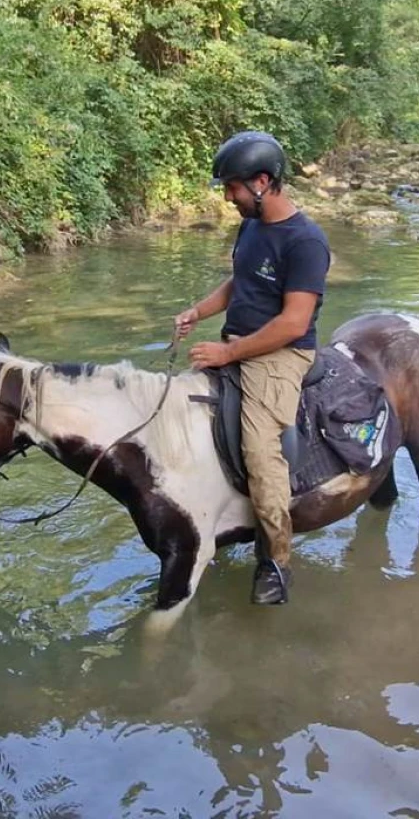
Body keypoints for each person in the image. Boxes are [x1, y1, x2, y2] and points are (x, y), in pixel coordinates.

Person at [174, 131, 331, 605]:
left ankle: (276, 561)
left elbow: (293, 322)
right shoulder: (251, 226)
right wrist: (198, 313)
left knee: (261, 452)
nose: (228, 196)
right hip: (236, 341)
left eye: (234, 187)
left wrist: (228, 354)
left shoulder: (306, 242)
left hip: (281, 353)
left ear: (263, 181)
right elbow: (238, 281)